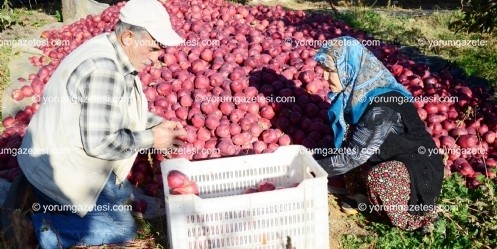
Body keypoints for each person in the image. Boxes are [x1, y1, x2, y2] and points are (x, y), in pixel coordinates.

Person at [15, 0, 186, 248]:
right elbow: (101, 143)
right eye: (153, 49)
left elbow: (121, 112)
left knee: (120, 197)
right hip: (59, 170)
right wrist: (153, 139)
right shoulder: (104, 70)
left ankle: (51, 205)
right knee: (120, 229)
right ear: (128, 37)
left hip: (68, 157)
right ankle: (38, 227)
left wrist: (158, 124)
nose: (158, 59)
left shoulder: (113, 51)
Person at [313, 36, 444, 231]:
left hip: (417, 168)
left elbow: (355, 156)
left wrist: (311, 171)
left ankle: (415, 220)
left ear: (348, 68)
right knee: (352, 135)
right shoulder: (357, 96)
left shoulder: (383, 106)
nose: (324, 77)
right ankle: (362, 195)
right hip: (390, 156)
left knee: (381, 176)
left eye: (330, 71)